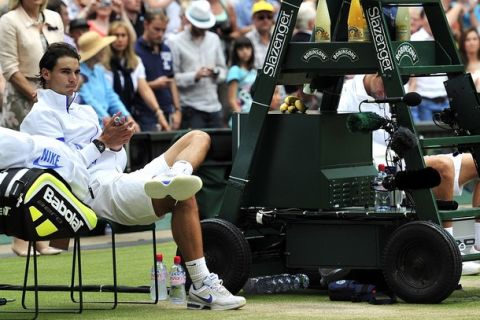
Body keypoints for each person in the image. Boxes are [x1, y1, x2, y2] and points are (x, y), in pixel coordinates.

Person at [20, 42, 246, 310]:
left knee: (198, 136)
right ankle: (201, 285)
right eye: (65, 72)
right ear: (45, 74)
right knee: (182, 194)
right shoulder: (39, 118)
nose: (73, 79)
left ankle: (178, 172)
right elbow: (64, 174)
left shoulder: (85, 110)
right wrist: (103, 142)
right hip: (93, 192)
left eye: (76, 72)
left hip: (121, 179)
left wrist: (116, 145)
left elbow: (116, 161)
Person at [0, 0, 64, 257]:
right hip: (21, 100)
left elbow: (63, 56)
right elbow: (9, 68)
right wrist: (36, 96)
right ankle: (19, 240)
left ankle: (40, 237)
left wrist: (57, 94)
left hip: (51, 96)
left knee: (48, 163)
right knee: (21, 166)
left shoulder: (54, 18)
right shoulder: (9, 21)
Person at [169, 0, 227, 129]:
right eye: (199, 26)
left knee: (219, 147)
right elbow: (173, 79)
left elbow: (223, 71)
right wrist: (195, 76)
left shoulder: (214, 39)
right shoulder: (176, 42)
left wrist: (215, 72)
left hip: (214, 105)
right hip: (191, 107)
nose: (202, 29)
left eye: (205, 26)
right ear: (190, 22)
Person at [103, 20, 170, 131]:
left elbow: (145, 89)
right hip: (109, 114)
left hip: (132, 111)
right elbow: (108, 97)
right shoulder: (102, 65)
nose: (120, 39)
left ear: (128, 38)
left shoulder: (135, 61)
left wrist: (158, 112)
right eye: (116, 35)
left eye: (123, 35)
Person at [77, 30, 139, 130]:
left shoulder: (99, 70)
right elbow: (89, 101)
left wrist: (128, 117)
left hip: (104, 125)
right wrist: (109, 122)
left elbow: (111, 96)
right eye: (101, 48)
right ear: (94, 52)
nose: (105, 51)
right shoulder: (78, 73)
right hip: (88, 127)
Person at [135, 10, 182, 130]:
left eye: (163, 30)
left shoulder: (166, 48)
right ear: (146, 25)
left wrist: (177, 109)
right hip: (145, 112)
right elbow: (132, 87)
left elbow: (172, 80)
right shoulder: (135, 50)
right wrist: (153, 85)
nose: (160, 34)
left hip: (168, 110)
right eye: (156, 29)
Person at [226, 36, 256, 126]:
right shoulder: (235, 70)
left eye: (247, 48)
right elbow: (232, 100)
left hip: (254, 116)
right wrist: (241, 118)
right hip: (241, 118)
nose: (245, 51)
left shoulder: (254, 71)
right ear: (235, 52)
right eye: (241, 48)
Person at [245, 1, 274, 70]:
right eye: (261, 17)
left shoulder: (278, 38)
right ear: (253, 19)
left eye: (269, 17)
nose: (265, 20)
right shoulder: (247, 39)